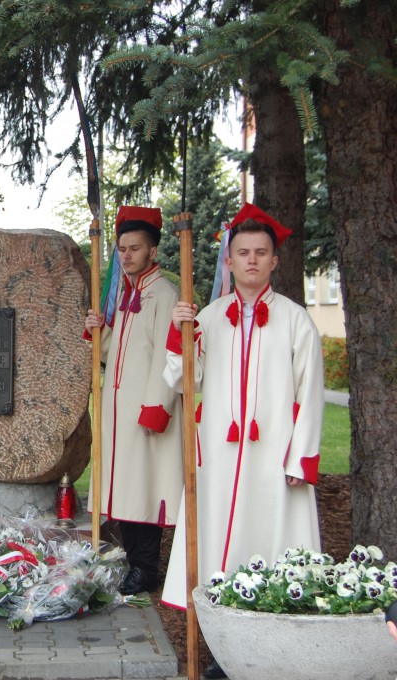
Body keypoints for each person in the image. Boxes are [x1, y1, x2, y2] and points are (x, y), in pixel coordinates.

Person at [162, 204, 324, 679]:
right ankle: (222, 654)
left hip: (274, 461)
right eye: (242, 253)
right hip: (220, 459)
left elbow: (311, 393)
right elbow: (180, 380)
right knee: (218, 552)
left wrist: (302, 458)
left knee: (273, 546)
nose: (251, 260)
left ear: (275, 261)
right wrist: (181, 331)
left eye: (261, 253)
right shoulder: (208, 317)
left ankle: (274, 653)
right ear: (228, 262)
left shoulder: (296, 321)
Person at [84, 205, 184, 595]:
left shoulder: (164, 294)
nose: (126, 255)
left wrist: (157, 406)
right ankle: (132, 562)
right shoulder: (127, 293)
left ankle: (146, 568)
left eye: (135, 248)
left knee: (144, 489)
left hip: (145, 408)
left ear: (152, 252)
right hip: (118, 409)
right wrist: (99, 334)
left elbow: (166, 355)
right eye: (122, 248)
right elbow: (120, 353)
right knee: (124, 487)